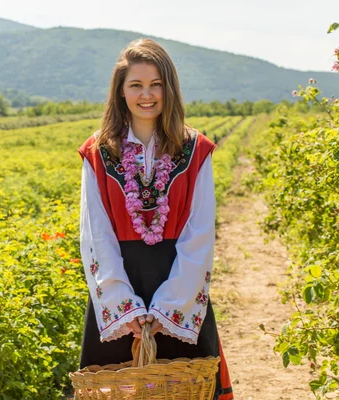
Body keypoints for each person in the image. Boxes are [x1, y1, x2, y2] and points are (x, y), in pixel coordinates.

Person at [77, 38, 234, 400]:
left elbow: (199, 232)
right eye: (135, 85)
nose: (146, 95)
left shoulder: (197, 150)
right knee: (118, 389)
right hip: (120, 285)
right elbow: (95, 233)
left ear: (169, 89)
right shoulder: (97, 152)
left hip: (180, 286)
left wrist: (168, 308)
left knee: (186, 386)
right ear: (120, 92)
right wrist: (123, 307)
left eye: (155, 85)